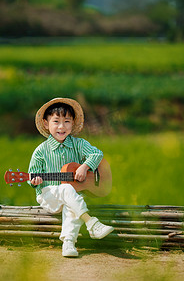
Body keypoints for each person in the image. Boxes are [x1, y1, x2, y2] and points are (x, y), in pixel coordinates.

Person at [28, 97, 114, 257]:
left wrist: (84, 167)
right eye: (56, 122)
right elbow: (31, 174)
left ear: (73, 123)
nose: (62, 126)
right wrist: (34, 180)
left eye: (67, 121)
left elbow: (97, 153)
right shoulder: (41, 151)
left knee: (71, 199)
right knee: (67, 189)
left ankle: (68, 243)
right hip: (48, 196)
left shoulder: (78, 144)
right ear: (46, 124)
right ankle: (92, 223)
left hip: (71, 195)